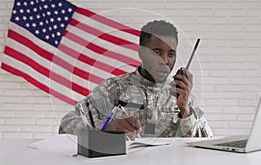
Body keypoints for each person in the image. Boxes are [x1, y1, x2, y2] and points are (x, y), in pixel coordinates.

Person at [59, 20, 213, 139]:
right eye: (156, 52)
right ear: (141, 53)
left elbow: (207, 142)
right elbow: (65, 125)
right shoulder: (114, 89)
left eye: (171, 54)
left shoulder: (182, 95)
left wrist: (185, 110)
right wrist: (104, 127)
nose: (164, 61)